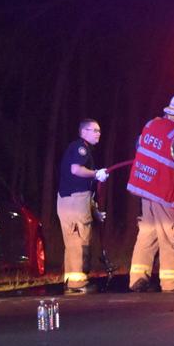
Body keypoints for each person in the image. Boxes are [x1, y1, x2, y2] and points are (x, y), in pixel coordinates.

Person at [127, 92, 174, 292]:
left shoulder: (152, 125)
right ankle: (171, 283)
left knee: (147, 235)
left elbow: (140, 146)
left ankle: (137, 280)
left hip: (146, 190)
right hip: (167, 194)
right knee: (171, 236)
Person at [57, 119, 106, 294]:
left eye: (99, 131)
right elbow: (75, 170)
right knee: (80, 240)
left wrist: (95, 212)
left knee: (72, 241)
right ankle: (78, 284)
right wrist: (96, 174)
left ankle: (72, 281)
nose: (98, 133)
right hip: (75, 202)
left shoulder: (78, 149)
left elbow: (83, 188)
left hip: (69, 200)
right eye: (94, 130)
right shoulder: (81, 149)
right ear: (83, 132)